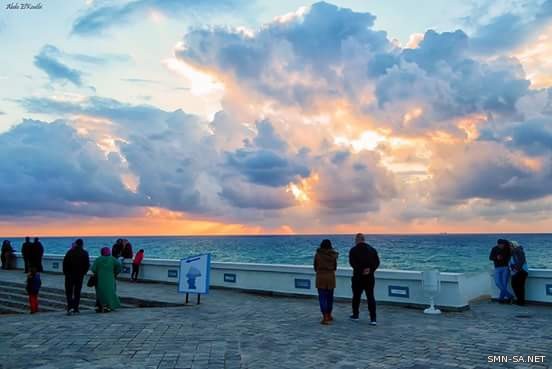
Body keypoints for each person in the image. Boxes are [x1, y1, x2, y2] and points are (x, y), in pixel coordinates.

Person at [349, 233, 380, 325]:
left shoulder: (353, 250)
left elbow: (352, 263)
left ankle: (356, 315)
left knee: (356, 297)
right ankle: (373, 318)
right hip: (369, 277)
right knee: (370, 297)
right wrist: (370, 270)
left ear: (357, 240)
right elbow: (377, 262)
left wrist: (361, 270)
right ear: (364, 239)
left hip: (358, 277)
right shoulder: (372, 250)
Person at [313, 239, 338, 325]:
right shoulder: (333, 255)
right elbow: (335, 267)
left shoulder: (318, 255)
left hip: (320, 277)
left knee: (322, 297)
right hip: (331, 277)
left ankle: (325, 317)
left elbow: (315, 267)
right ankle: (329, 314)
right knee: (330, 297)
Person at [62, 239, 90, 315]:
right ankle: (76, 308)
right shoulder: (85, 253)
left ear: (76, 244)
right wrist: (83, 273)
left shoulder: (69, 252)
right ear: (82, 244)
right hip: (79, 275)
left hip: (69, 275)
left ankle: (70, 307)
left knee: (69, 292)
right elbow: (87, 265)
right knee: (77, 292)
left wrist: (66, 273)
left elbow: (64, 264)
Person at [91, 247, 121, 313]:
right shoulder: (113, 259)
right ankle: (110, 306)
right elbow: (119, 266)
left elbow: (93, 269)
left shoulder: (98, 260)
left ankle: (101, 306)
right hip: (110, 279)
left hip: (100, 279)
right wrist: (115, 273)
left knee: (101, 293)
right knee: (111, 292)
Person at [489, 239, 513, 304]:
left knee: (504, 284)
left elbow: (510, 258)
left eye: (502, 244)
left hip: (505, 268)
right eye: (500, 244)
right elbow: (490, 257)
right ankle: (510, 296)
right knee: (497, 283)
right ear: (498, 244)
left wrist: (503, 258)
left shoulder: (507, 249)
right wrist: (497, 258)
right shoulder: (494, 249)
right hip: (497, 268)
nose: (501, 246)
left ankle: (501, 299)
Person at [509, 241, 529, 306]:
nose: (510, 247)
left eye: (511, 245)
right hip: (518, 271)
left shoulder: (518, 251)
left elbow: (521, 261)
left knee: (518, 286)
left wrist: (516, 269)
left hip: (521, 271)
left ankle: (520, 302)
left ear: (514, 245)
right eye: (509, 246)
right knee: (518, 286)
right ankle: (520, 301)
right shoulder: (513, 253)